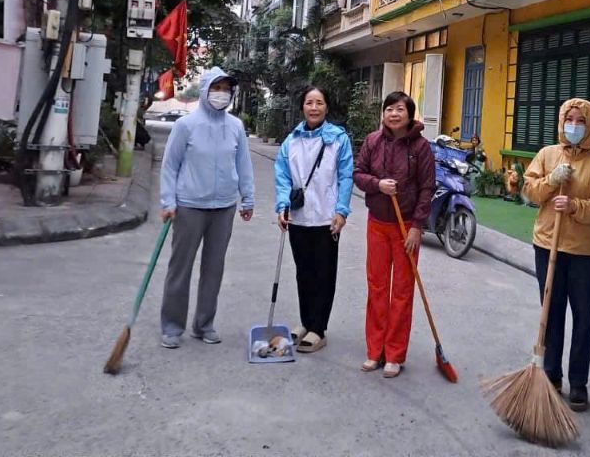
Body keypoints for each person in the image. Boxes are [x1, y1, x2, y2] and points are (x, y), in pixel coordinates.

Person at [522, 97, 590, 412]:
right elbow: (531, 190)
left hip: (584, 251)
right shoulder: (547, 155)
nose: (573, 125)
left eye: (580, 121)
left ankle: (578, 382)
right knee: (550, 314)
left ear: (589, 125)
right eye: (569, 119)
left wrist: (575, 206)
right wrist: (552, 180)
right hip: (547, 243)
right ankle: (551, 374)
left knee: (583, 317)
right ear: (561, 120)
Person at [159, 67, 255, 349]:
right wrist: (168, 201)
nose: (221, 94)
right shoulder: (186, 125)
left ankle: (204, 324)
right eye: (216, 87)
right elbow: (170, 166)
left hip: (223, 206)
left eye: (226, 89)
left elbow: (243, 165)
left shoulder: (235, 126)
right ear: (204, 90)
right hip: (189, 205)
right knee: (181, 268)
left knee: (214, 268)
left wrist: (247, 198)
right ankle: (172, 326)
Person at [353, 91, 435, 378]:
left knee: (401, 291)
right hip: (377, 223)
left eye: (400, 109)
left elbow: (427, 187)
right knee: (377, 287)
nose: (394, 114)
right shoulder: (373, 141)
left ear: (409, 114)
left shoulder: (421, 147)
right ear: (383, 114)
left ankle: (395, 353)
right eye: (389, 109)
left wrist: (416, 227)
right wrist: (377, 185)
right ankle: (375, 350)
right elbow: (358, 173)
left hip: (406, 227)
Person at [274, 85, 353, 353]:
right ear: (302, 107)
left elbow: (346, 176)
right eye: (309, 102)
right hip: (299, 218)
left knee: (323, 274)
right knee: (303, 273)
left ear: (327, 107)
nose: (314, 107)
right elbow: (282, 175)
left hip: (326, 218)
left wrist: (341, 211)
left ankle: (319, 328)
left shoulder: (338, 139)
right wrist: (282, 205)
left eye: (319, 102)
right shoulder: (291, 141)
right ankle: (306, 321)